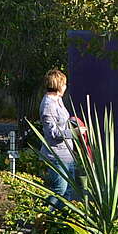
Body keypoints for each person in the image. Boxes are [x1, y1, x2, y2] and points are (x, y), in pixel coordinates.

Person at [39, 69, 80, 203]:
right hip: (56, 155)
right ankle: (46, 218)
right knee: (60, 190)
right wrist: (74, 133)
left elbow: (63, 121)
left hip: (67, 154)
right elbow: (53, 133)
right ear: (57, 85)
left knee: (68, 190)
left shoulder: (58, 100)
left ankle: (61, 221)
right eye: (64, 84)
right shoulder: (48, 105)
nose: (65, 87)